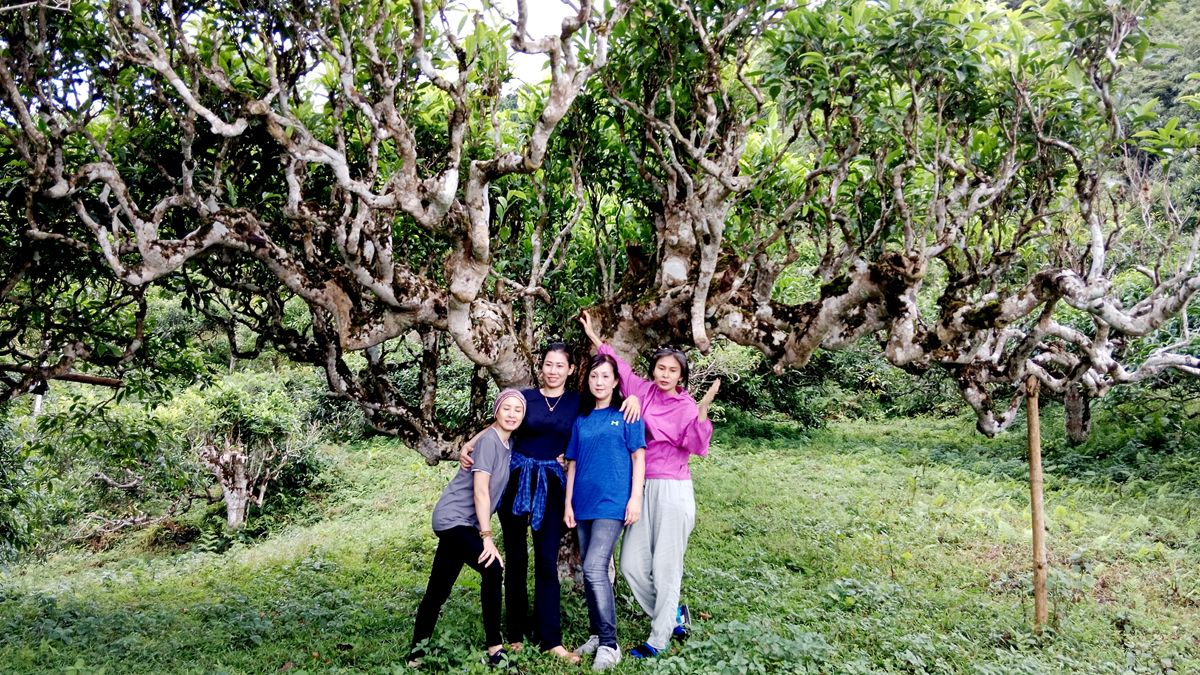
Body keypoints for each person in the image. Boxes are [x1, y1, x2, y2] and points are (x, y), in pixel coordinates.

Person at [458, 344, 640, 664]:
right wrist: (469, 444)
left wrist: (635, 397)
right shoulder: (526, 398)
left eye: (560, 366)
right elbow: (500, 423)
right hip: (517, 480)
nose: (553, 370)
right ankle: (514, 635)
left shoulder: (578, 403)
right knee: (515, 558)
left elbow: (611, 401)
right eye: (548, 364)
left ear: (571, 371)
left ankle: (550, 640)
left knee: (546, 562)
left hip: (554, 486)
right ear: (541, 367)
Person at [579, 311, 720, 659]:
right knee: (629, 564)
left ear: (682, 375)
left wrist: (702, 413)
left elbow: (697, 446)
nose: (666, 374)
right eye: (661, 368)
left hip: (673, 489)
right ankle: (672, 615)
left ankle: (658, 640)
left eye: (673, 370)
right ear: (654, 369)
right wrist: (594, 335)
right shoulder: (641, 390)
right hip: (640, 487)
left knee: (666, 567)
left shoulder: (686, 406)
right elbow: (616, 366)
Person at [408, 390, 526, 669]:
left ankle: (415, 657)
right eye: (505, 408)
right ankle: (495, 650)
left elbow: (494, 431)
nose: (511, 414)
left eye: (517, 410)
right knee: (493, 568)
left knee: (438, 589)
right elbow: (480, 492)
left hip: (461, 522)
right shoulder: (489, 443)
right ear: (496, 411)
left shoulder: (506, 442)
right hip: (454, 519)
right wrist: (487, 538)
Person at [563, 354, 646, 671]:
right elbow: (572, 465)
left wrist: (634, 498)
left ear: (615, 381)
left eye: (605, 376)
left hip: (612, 503)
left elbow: (639, 459)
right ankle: (597, 634)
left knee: (596, 567)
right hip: (583, 504)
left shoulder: (627, 414)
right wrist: (569, 503)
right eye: (594, 376)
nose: (599, 382)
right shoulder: (582, 420)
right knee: (589, 570)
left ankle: (610, 645)